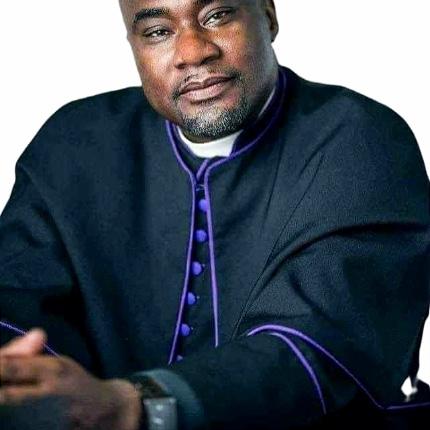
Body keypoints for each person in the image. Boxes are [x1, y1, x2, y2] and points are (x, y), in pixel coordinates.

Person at [0, 0, 429, 429]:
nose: (193, 52)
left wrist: (134, 404)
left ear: (268, 16)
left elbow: (316, 345)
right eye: (157, 32)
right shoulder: (73, 144)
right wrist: (27, 382)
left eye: (217, 15)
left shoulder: (360, 140)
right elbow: (15, 306)